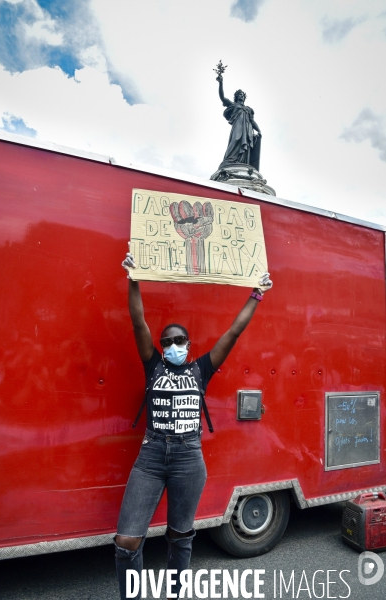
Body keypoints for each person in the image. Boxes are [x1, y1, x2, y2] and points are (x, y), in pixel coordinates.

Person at [114, 246, 273, 599]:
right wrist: (134, 279)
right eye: (167, 341)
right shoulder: (152, 364)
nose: (173, 345)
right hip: (151, 456)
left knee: (180, 535)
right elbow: (137, 320)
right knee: (127, 540)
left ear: (188, 343)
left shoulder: (199, 369)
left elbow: (232, 333)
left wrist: (257, 295)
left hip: (189, 457)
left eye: (179, 340)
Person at [216, 73, 262, 172]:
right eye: (239, 94)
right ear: (236, 97)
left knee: (246, 145)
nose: (241, 96)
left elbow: (252, 121)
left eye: (242, 95)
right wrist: (221, 83)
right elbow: (222, 97)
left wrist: (259, 130)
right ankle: (229, 160)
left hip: (248, 128)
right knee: (235, 140)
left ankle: (243, 162)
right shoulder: (233, 105)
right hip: (238, 126)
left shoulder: (248, 109)